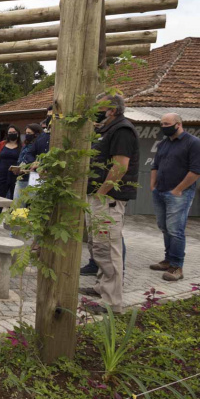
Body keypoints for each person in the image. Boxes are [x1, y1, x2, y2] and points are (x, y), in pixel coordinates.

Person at [77, 95, 139, 314]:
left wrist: (102, 194)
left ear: (111, 110)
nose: (96, 110)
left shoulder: (122, 130)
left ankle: (112, 303)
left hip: (108, 199)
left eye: (99, 107)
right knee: (98, 245)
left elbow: (120, 166)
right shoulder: (107, 129)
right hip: (97, 197)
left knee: (109, 248)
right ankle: (101, 287)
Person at [149, 113, 200, 282]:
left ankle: (176, 267)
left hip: (179, 194)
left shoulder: (194, 143)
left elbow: (196, 171)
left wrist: (178, 189)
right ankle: (167, 260)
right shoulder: (163, 144)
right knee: (164, 227)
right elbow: (155, 166)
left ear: (178, 124)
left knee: (175, 230)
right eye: (161, 123)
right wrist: (153, 185)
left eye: (167, 123)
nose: (163, 126)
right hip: (160, 191)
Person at [12, 123, 43, 201]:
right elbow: (21, 159)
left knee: (32, 203)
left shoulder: (39, 146)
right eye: (26, 133)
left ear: (36, 134)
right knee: (17, 203)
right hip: (22, 178)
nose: (27, 135)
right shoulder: (25, 146)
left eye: (29, 133)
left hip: (33, 178)